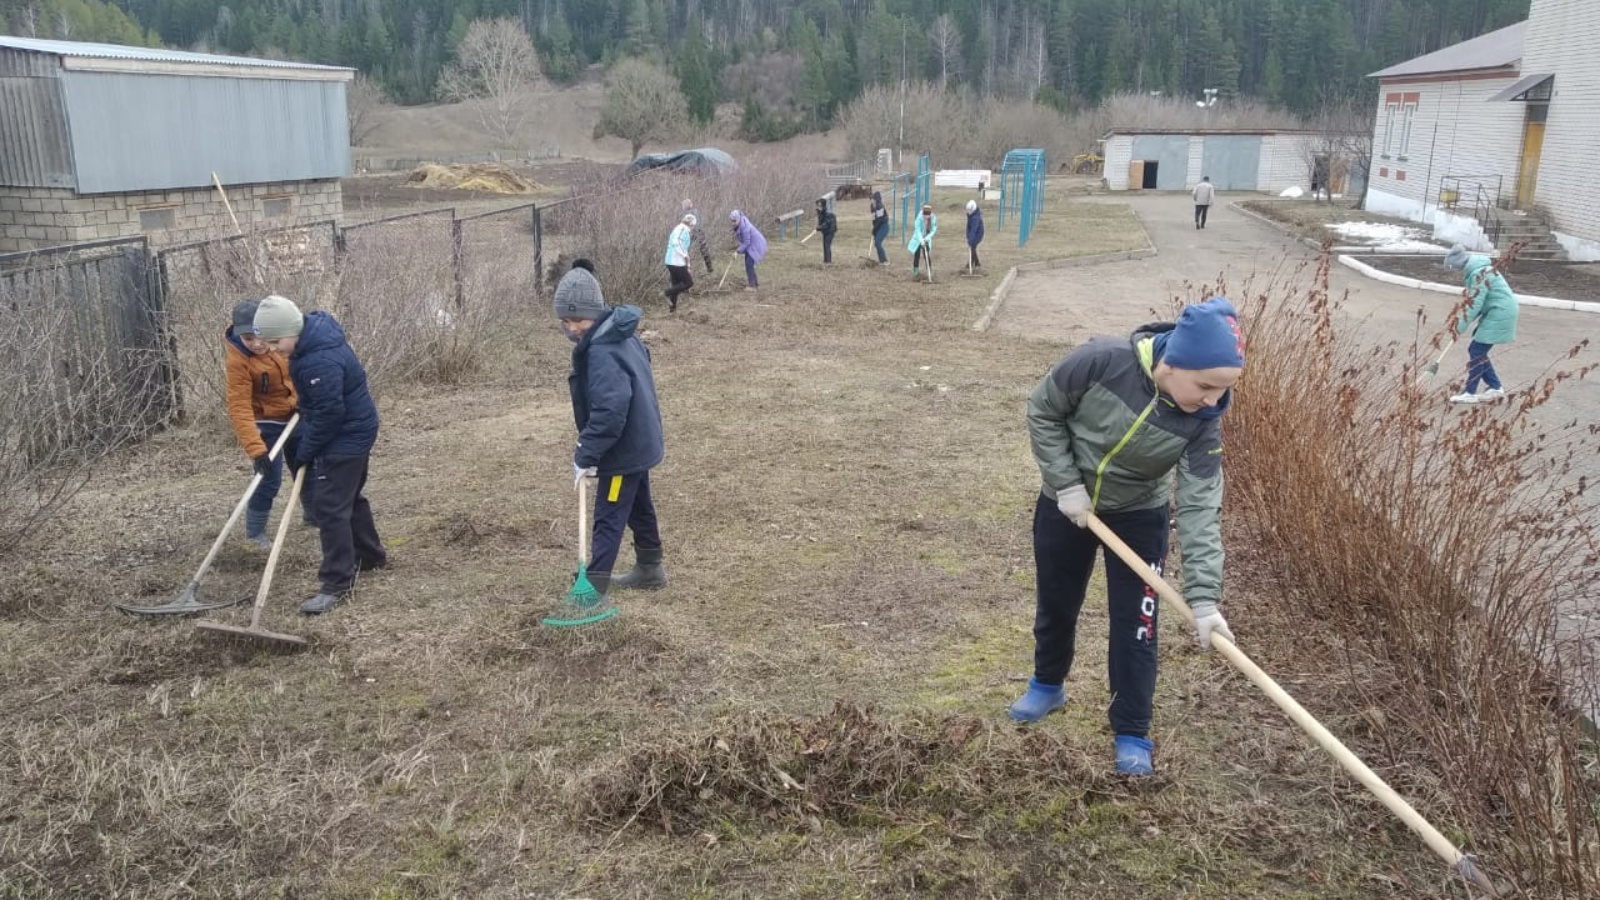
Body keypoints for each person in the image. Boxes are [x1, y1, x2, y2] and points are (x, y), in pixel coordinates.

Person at [1011, 296, 1245, 778]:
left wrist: (1204, 600)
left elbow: (1201, 506)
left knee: (1137, 625)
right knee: (1057, 600)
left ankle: (1132, 729)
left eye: (1223, 391)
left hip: (1140, 515)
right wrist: (1066, 484)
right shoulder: (1100, 362)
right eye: (1206, 386)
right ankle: (1047, 684)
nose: (1212, 401)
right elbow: (1043, 410)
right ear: (1174, 361)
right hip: (1067, 503)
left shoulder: (1202, 424)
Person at [253, 295, 387, 615]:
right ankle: (370, 556)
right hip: (357, 427)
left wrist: (305, 451)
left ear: (292, 329)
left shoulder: (317, 360)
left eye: (275, 341)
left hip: (345, 436)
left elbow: (329, 414)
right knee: (349, 497)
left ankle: (336, 584)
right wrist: (308, 405)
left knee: (329, 507)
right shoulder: (314, 339)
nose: (273, 349)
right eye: (267, 343)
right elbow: (323, 399)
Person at [555, 266, 668, 598]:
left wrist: (586, 452)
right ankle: (650, 568)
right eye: (566, 321)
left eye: (579, 320)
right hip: (640, 439)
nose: (573, 328)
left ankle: (592, 588)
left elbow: (610, 409)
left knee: (610, 511)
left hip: (623, 446)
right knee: (639, 504)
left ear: (596, 312)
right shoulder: (618, 332)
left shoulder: (603, 349)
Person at [224, 297, 309, 549]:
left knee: (306, 464)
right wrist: (256, 449)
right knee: (267, 479)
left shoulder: (279, 341)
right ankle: (255, 533)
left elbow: (299, 372)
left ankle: (314, 514)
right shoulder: (238, 361)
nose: (258, 344)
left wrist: (304, 399)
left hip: (295, 416)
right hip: (265, 424)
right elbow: (239, 408)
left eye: (260, 337)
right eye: (249, 338)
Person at [1442, 245, 1519, 404]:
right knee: (1477, 350)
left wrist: (1459, 328)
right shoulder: (1478, 270)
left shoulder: (1479, 274)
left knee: (1477, 350)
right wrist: (1460, 323)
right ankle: (1495, 387)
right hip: (1499, 310)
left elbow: (1474, 305)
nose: (1456, 273)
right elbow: (1475, 304)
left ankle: (1470, 392)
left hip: (1500, 312)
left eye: (1455, 269)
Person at [663, 213, 695, 312]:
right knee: (688, 283)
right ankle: (666, 293)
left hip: (671, 261)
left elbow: (683, 247)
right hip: (675, 261)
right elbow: (676, 243)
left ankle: (672, 309)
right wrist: (684, 255)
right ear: (692, 224)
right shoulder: (683, 229)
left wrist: (688, 266)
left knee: (676, 284)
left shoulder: (679, 228)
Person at [729, 210, 768, 291]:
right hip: (751, 246)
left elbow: (746, 242)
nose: (733, 223)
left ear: (738, 219)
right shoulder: (740, 223)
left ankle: (752, 286)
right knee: (748, 264)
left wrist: (737, 251)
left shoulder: (745, 227)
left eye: (734, 221)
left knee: (749, 264)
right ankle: (755, 284)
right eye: (731, 221)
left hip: (756, 245)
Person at [681, 198, 715, 274]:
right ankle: (709, 268)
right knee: (703, 251)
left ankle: (709, 268)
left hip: (696, 233)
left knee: (702, 251)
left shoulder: (691, 213)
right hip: (696, 233)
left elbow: (696, 224)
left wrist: (692, 233)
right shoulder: (693, 212)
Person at [908, 204, 937, 280]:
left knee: (926, 253)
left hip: (926, 238)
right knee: (917, 254)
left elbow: (933, 230)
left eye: (928, 216)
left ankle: (929, 271)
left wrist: (927, 238)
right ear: (923, 214)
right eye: (925, 216)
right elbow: (917, 230)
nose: (926, 218)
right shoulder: (919, 218)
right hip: (918, 238)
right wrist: (921, 240)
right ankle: (915, 271)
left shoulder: (933, 218)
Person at [815, 197, 837, 265]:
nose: (819, 207)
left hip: (830, 231)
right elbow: (821, 222)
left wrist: (820, 227)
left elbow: (826, 224)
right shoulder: (820, 212)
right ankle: (825, 260)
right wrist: (819, 227)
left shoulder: (827, 213)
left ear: (823, 206)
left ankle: (828, 261)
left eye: (820, 206)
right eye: (818, 205)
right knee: (824, 245)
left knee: (827, 245)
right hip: (825, 231)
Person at [870, 191, 890, 264]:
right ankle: (881, 260)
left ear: (876, 199)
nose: (871, 200)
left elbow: (880, 219)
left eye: (872, 199)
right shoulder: (872, 206)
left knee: (878, 242)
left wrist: (875, 229)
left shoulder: (880, 206)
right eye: (871, 199)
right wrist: (874, 228)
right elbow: (874, 219)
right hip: (878, 225)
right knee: (876, 243)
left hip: (884, 226)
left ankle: (885, 260)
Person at [965, 199, 985, 271]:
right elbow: (968, 226)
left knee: (972, 246)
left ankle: (971, 263)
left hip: (978, 234)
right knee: (973, 247)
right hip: (972, 234)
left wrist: (970, 239)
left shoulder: (976, 218)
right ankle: (976, 262)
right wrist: (968, 235)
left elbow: (974, 229)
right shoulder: (970, 216)